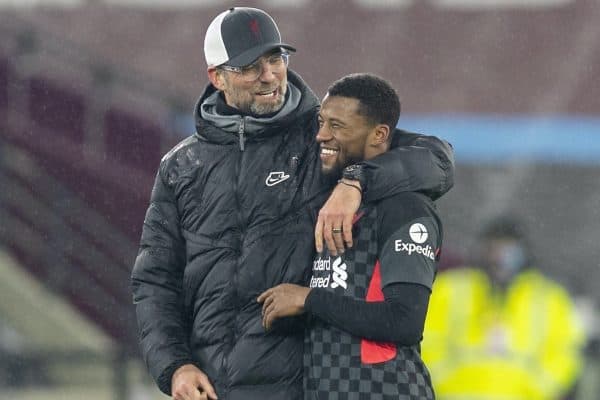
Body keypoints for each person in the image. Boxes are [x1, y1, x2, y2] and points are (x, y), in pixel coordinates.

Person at [131, 7, 454, 400]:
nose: (269, 75)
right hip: (212, 388)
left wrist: (355, 182)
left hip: (302, 385)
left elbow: (436, 158)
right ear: (217, 77)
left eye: (275, 59)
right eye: (250, 66)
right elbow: (154, 280)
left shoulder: (324, 138)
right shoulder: (180, 166)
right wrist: (174, 366)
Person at [258, 73, 441, 399]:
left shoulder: (406, 208)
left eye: (337, 126)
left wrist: (309, 299)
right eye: (321, 122)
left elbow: (405, 320)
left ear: (379, 134)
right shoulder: (332, 203)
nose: (321, 136)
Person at [421, 216, 586, 400]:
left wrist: (537, 387)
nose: (499, 257)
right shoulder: (450, 289)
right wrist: (443, 379)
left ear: (523, 252)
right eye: (493, 248)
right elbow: (426, 339)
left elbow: (565, 352)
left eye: (508, 250)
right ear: (482, 249)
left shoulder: (549, 298)